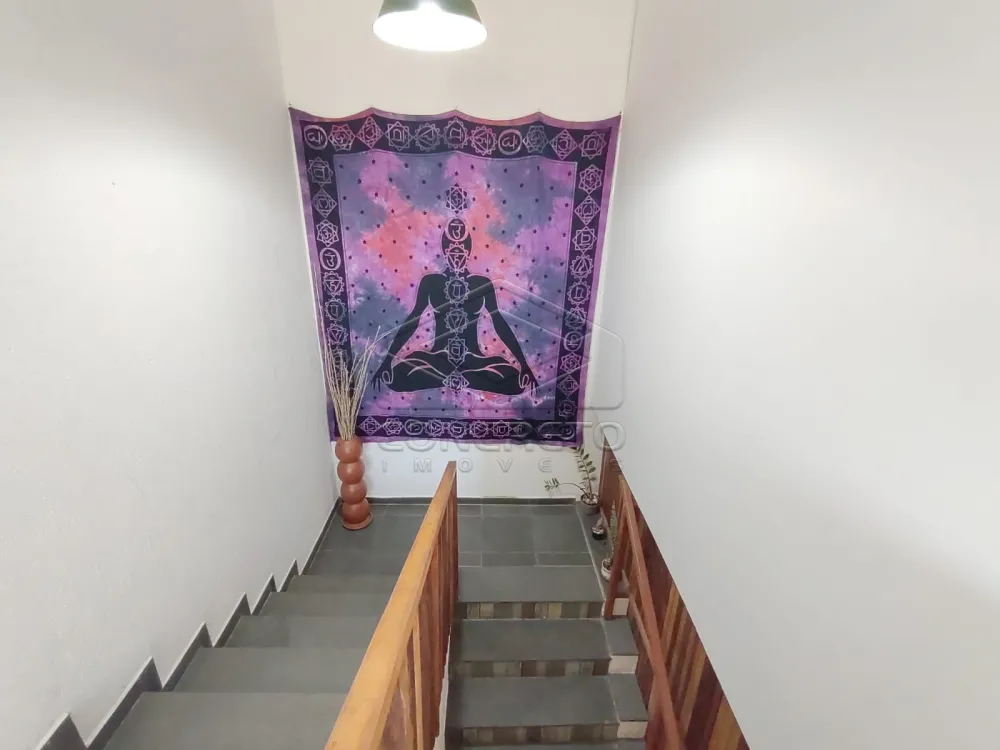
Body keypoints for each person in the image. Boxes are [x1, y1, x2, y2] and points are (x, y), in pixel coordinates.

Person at [371, 216, 538, 396]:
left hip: (474, 360)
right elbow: (413, 320)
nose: (456, 258)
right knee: (397, 376)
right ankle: (461, 379)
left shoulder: (481, 283)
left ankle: (457, 378)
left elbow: (499, 323)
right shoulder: (431, 282)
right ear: (445, 253)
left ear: (468, 253)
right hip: (437, 358)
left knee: (514, 381)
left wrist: (524, 364)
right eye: (453, 253)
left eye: (460, 253)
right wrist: (387, 361)